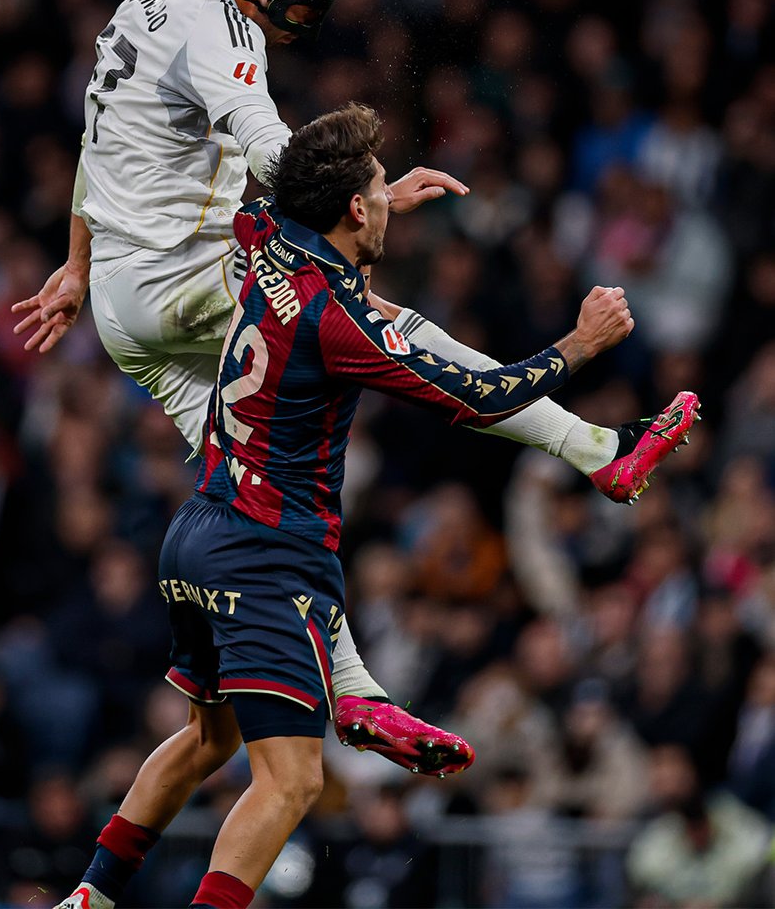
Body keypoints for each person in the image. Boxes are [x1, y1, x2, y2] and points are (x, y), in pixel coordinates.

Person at [12, 0, 699, 774]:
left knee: (264, 499)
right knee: (385, 330)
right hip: (182, 279)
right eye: (305, 5)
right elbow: (273, 154)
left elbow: (97, 136)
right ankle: (597, 448)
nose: (308, 24)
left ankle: (356, 692)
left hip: (121, 304)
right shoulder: (228, 38)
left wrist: (75, 264)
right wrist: (362, 199)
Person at [55, 101, 645, 909]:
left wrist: (380, 197)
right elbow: (478, 396)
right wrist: (577, 344)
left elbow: (305, 207)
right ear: (355, 210)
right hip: (266, 552)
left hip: (197, 529)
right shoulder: (342, 324)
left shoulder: (263, 236)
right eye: (377, 193)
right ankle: (355, 693)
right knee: (292, 781)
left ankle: (91, 895)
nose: (389, 209)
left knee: (207, 737)